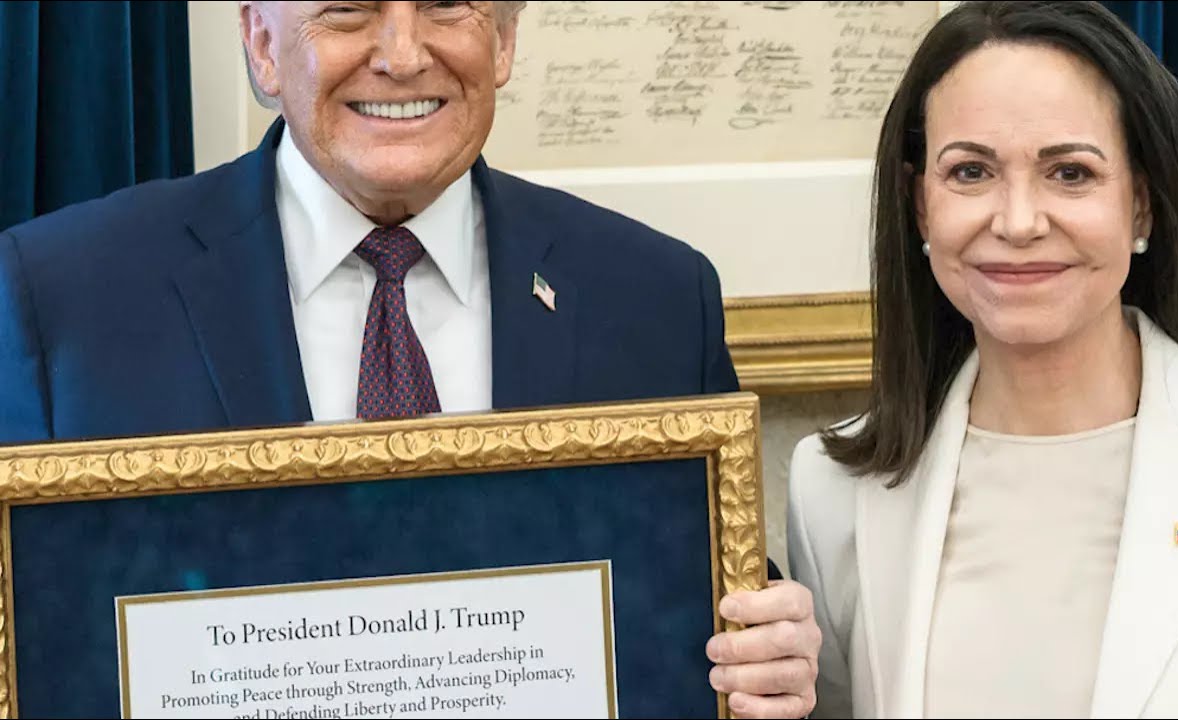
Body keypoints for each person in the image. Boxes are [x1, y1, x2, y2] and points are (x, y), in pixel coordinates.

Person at [0, 2, 817, 715]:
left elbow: (705, 608)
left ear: (503, 40)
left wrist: (770, 659)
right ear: (262, 44)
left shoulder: (654, 298)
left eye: (446, 4)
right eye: (348, 9)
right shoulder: (68, 298)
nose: (401, 54)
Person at [787, 1, 1178, 717]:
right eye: (970, 172)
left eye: (1070, 173)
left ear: (1141, 205)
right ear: (920, 207)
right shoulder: (829, 490)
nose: (1018, 222)